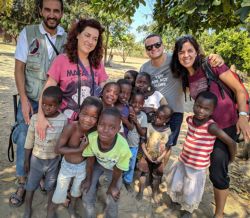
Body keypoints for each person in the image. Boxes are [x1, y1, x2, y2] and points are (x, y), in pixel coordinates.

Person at [171, 35, 250, 218]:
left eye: (190, 50)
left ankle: (219, 214)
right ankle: (186, 200)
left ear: (197, 51)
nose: (186, 55)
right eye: (181, 52)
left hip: (225, 127)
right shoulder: (185, 77)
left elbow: (238, 89)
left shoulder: (212, 64)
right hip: (204, 131)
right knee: (193, 165)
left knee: (217, 173)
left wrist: (244, 116)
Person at [10, 0, 66, 207]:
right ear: (41, 11)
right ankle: (22, 181)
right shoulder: (28, 32)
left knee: (49, 137)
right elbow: (18, 69)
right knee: (26, 135)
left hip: (53, 103)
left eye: (56, 11)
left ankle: (41, 174)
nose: (52, 14)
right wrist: (23, 100)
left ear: (61, 13)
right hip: (31, 99)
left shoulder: (67, 38)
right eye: (48, 10)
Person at [140, 34, 224, 147]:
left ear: (162, 45)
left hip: (175, 113)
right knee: (150, 144)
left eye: (157, 44)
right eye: (149, 47)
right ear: (146, 50)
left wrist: (214, 57)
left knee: (167, 146)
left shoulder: (175, 60)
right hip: (154, 113)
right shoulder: (144, 68)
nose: (154, 48)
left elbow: (193, 59)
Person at [166, 91, 237, 218]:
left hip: (197, 167)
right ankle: (176, 199)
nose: (200, 111)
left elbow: (231, 142)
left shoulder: (212, 127)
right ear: (194, 104)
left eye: (206, 109)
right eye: (198, 106)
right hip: (184, 160)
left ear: (213, 110)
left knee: (191, 190)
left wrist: (230, 159)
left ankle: (188, 210)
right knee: (179, 182)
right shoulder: (190, 119)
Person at [37, 18, 108, 140]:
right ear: (77, 35)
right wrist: (40, 117)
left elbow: (105, 91)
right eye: (87, 35)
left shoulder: (98, 64)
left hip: (89, 126)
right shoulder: (62, 60)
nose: (90, 41)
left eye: (95, 39)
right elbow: (47, 90)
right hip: (64, 125)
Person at [48, 96, 103, 218]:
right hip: (66, 167)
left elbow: (90, 158)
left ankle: (71, 208)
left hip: (82, 168)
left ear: (98, 119)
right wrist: (79, 149)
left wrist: (88, 179)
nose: (88, 120)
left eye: (94, 117)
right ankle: (50, 213)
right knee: (58, 194)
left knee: (75, 192)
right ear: (79, 112)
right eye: (85, 114)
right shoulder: (71, 127)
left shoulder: (93, 133)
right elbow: (58, 149)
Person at [22, 86, 68, 218]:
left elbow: (64, 140)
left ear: (59, 105)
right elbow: (29, 140)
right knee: (30, 186)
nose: (46, 108)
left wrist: (62, 160)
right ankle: (27, 208)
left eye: (51, 105)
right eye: (43, 104)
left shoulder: (63, 120)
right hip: (36, 159)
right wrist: (26, 160)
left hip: (54, 160)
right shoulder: (36, 118)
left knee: (50, 186)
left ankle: (50, 210)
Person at [81, 108, 132, 218]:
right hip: (98, 165)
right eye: (102, 125)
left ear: (118, 129)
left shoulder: (123, 147)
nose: (105, 130)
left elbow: (119, 169)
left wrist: (113, 186)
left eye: (112, 127)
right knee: (87, 191)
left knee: (113, 196)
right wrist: (88, 179)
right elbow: (90, 162)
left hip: (114, 169)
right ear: (97, 124)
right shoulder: (92, 138)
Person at [136, 105, 173, 202]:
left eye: (160, 118)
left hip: (159, 159)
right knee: (144, 173)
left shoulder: (168, 131)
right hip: (146, 156)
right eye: (156, 116)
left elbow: (168, 147)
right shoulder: (149, 127)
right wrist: (147, 155)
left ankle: (155, 193)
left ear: (167, 119)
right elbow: (143, 143)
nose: (156, 119)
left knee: (157, 177)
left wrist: (161, 157)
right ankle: (140, 191)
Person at [123, 92, 148, 192]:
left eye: (140, 103)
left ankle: (127, 181)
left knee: (130, 165)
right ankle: (118, 179)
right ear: (130, 102)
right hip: (123, 145)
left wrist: (136, 121)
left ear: (143, 104)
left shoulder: (143, 116)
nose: (137, 105)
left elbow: (143, 133)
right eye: (134, 102)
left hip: (133, 146)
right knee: (120, 163)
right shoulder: (126, 112)